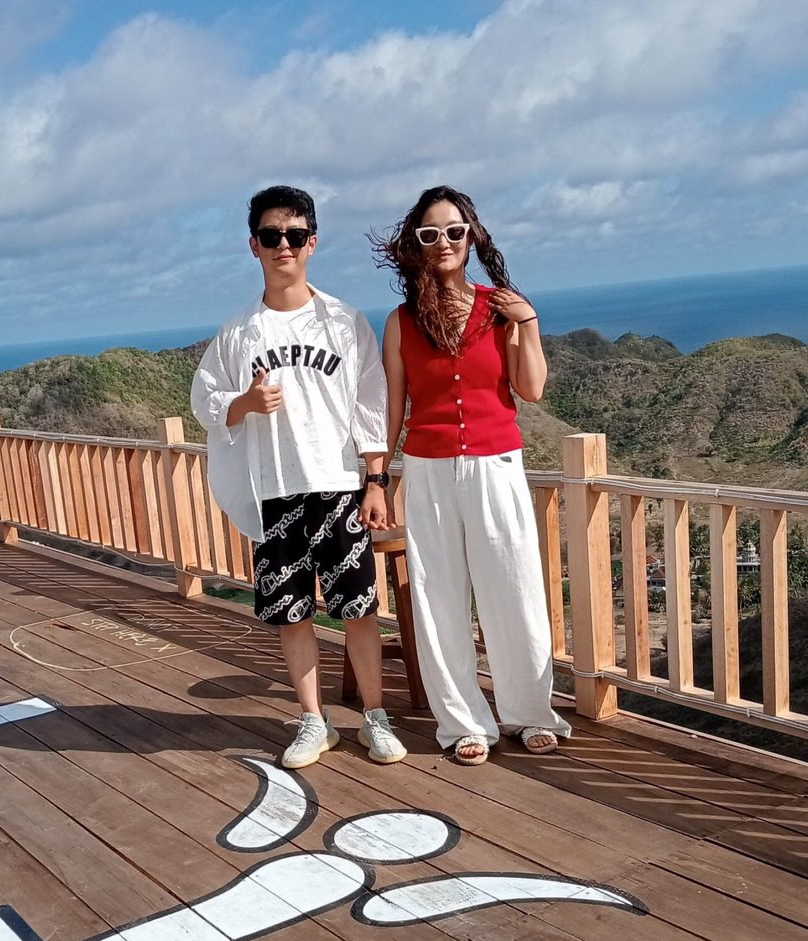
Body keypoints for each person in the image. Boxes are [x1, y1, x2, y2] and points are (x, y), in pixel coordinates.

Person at [191, 185, 407, 769]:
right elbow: (205, 401)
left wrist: (375, 480)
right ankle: (314, 721)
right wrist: (245, 403)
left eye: (293, 235)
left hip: (337, 485)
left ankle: (374, 717)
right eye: (270, 236)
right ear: (253, 246)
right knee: (293, 613)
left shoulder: (343, 322)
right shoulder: (240, 333)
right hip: (275, 489)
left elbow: (370, 403)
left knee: (358, 608)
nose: (282, 246)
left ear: (311, 242)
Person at [374, 185, 571, 766]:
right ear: (415, 243)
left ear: (472, 237)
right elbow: (393, 407)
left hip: (496, 464)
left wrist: (528, 323)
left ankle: (530, 712)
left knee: (512, 587)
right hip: (428, 468)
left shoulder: (499, 308)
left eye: (454, 232)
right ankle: (463, 721)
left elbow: (530, 389)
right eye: (429, 234)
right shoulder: (401, 321)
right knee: (439, 598)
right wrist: (378, 479)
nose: (443, 243)